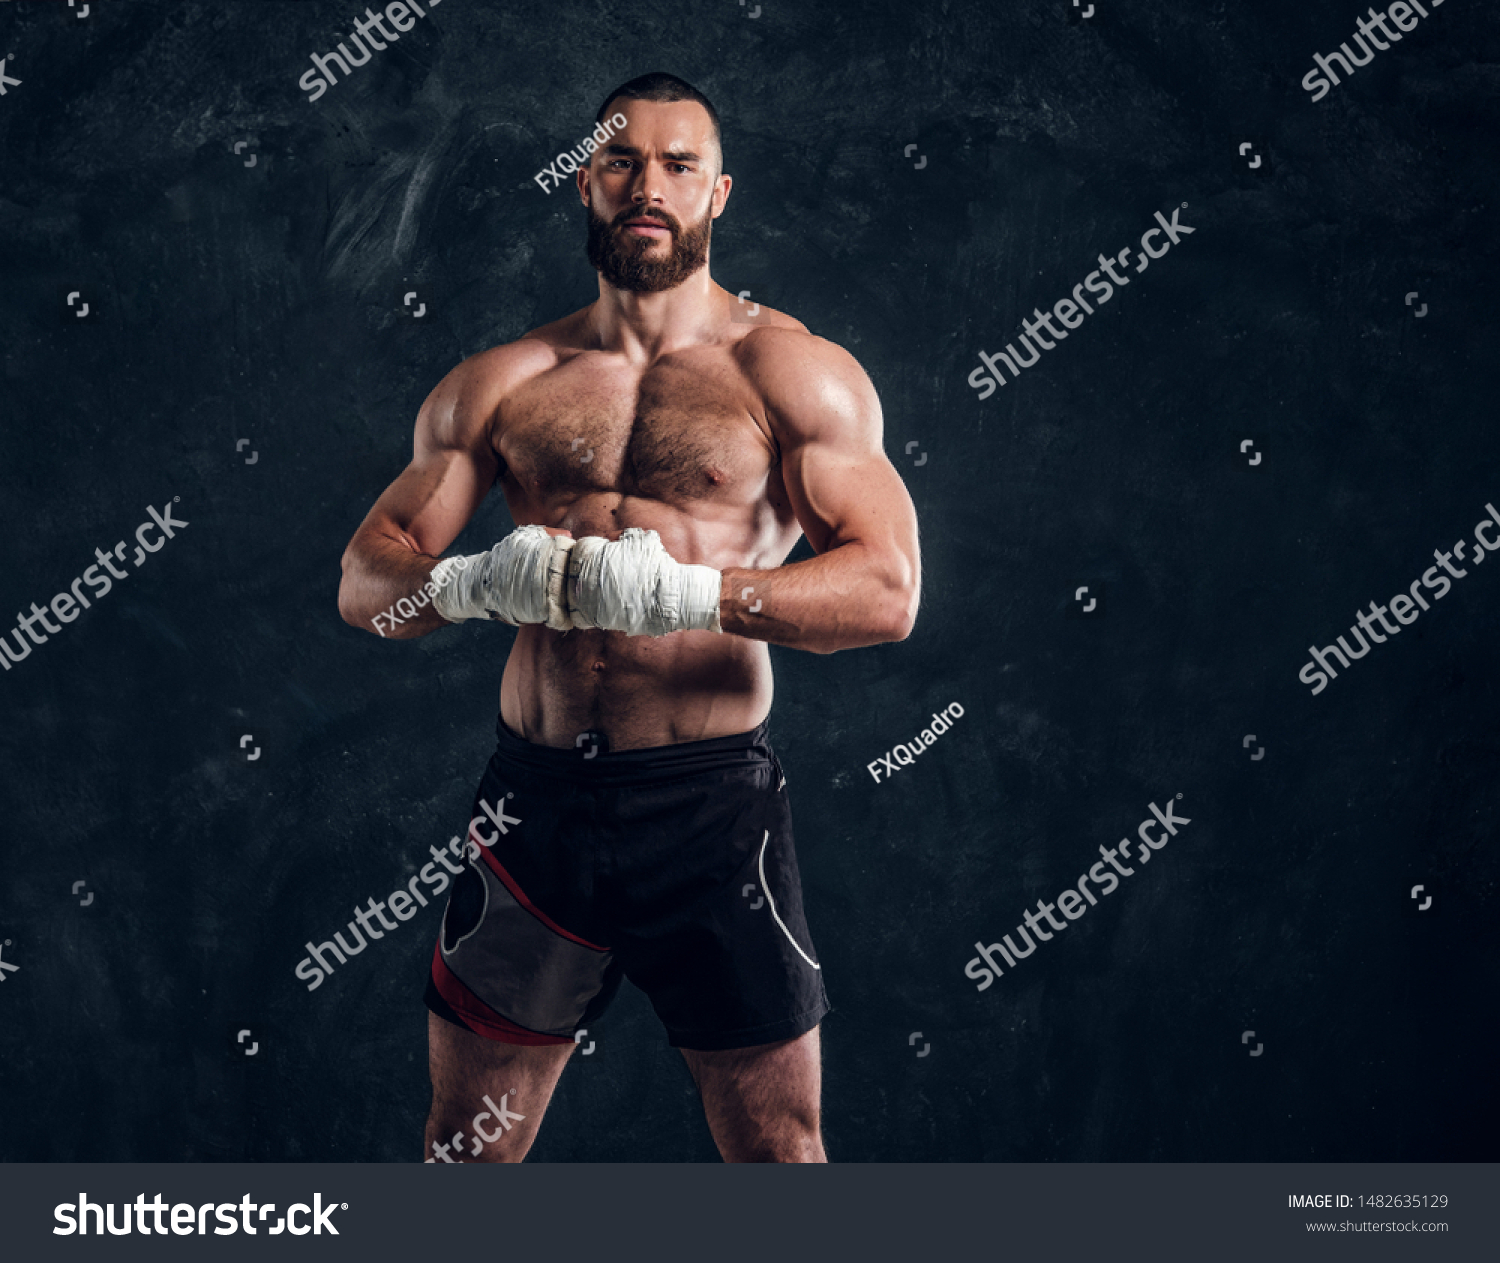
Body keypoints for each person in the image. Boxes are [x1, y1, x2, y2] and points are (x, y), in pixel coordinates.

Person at [337, 72, 921, 1162]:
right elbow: (365, 584)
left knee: (776, 1150)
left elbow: (886, 592)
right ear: (585, 183)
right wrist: (468, 584)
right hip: (536, 804)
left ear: (718, 194)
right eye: (622, 161)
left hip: (707, 809)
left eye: (679, 165)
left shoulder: (792, 373)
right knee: (466, 1148)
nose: (648, 185)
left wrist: (690, 596)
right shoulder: (505, 381)